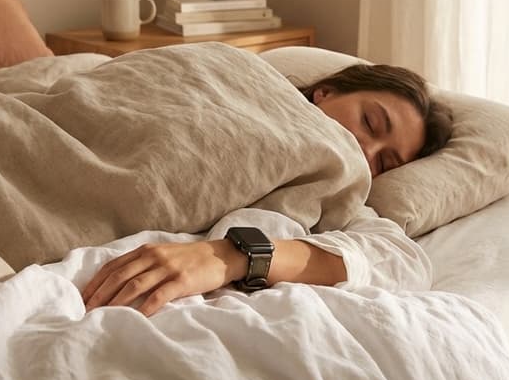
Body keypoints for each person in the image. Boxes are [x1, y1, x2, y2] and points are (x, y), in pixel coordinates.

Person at [81, 64, 453, 316]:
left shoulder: (341, 193)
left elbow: (402, 261)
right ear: (324, 93)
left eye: (385, 162)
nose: (364, 150)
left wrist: (234, 254)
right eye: (370, 122)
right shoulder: (236, 81)